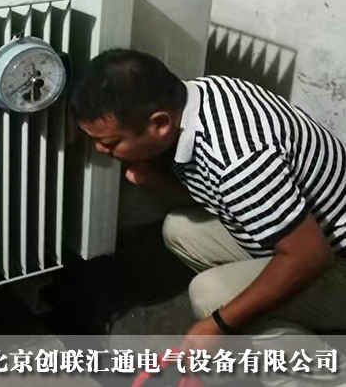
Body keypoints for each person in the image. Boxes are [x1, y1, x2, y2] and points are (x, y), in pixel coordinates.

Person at [69, 49, 346, 341]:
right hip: (306, 236)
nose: (101, 150)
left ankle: (322, 363)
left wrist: (218, 324)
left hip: (330, 258)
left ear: (160, 124)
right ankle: (273, 310)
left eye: (111, 142)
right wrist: (155, 182)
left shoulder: (238, 163)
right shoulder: (201, 95)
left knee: (211, 297)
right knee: (179, 229)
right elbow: (217, 196)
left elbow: (310, 256)